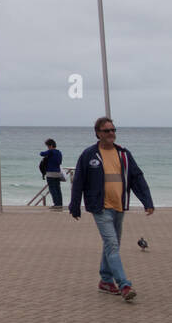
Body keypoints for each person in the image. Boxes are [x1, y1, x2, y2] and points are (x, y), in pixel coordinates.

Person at [69, 117, 154, 301]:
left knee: (112, 244)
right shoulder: (89, 155)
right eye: (107, 130)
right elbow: (79, 181)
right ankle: (124, 285)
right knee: (112, 244)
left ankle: (105, 280)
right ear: (98, 133)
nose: (111, 133)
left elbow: (136, 177)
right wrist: (74, 205)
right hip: (100, 207)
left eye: (113, 130)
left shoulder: (123, 154)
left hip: (119, 206)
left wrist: (147, 201)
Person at [39, 138, 64, 208]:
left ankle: (56, 204)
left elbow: (41, 154)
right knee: (58, 189)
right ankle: (60, 203)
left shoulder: (51, 151)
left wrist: (48, 151)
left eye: (48, 146)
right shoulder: (59, 152)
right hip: (58, 173)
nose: (47, 147)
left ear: (51, 145)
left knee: (52, 189)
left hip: (50, 173)